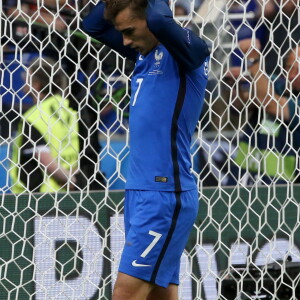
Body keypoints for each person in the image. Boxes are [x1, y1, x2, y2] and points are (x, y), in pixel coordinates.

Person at [82, 0, 209, 299]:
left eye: (128, 31)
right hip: (140, 192)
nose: (124, 41)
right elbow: (92, 25)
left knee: (125, 294)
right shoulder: (144, 49)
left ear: (150, 21)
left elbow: (161, 21)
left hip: (164, 196)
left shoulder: (189, 52)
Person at [228, 39, 300, 185]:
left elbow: (271, 104)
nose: (291, 75)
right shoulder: (276, 85)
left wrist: (253, 59)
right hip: (242, 176)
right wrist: (235, 85)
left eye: (297, 70)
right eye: (288, 68)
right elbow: (239, 105)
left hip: (281, 189)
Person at [10, 57, 79, 193]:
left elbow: (46, 161)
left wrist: (69, 180)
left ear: (36, 84)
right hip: (70, 193)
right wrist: (74, 181)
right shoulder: (70, 110)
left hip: (39, 198)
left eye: (27, 77)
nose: (24, 82)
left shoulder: (34, 116)